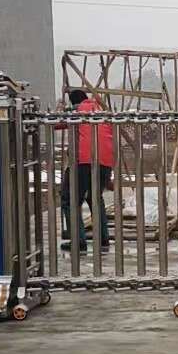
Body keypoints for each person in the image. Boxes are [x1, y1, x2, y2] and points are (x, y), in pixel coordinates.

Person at [60, 88, 115, 251]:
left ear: (73, 103)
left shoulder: (76, 112)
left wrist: (59, 109)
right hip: (106, 162)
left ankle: (78, 241)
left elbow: (55, 123)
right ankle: (103, 239)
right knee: (95, 198)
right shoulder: (101, 111)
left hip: (83, 161)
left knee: (69, 199)